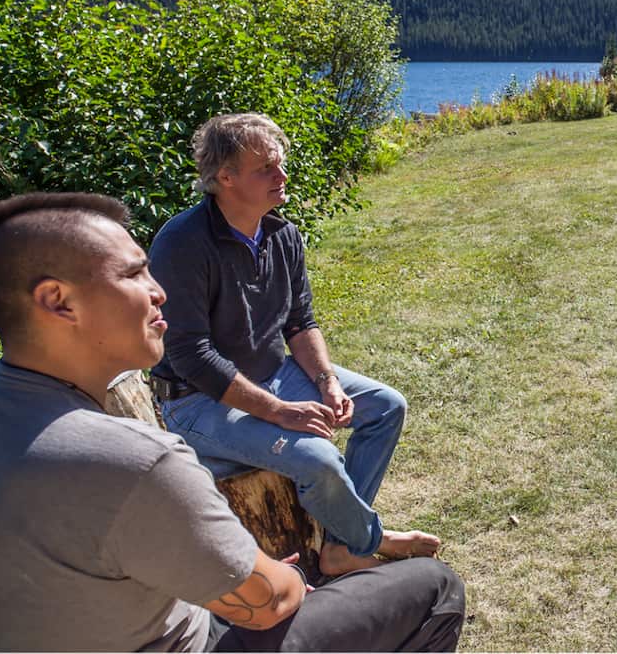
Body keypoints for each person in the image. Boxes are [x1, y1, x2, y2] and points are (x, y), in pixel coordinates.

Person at [0, 193, 465, 651]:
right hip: (196, 640)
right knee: (433, 586)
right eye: (132, 274)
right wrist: (274, 580)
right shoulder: (138, 461)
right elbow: (267, 603)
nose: (159, 291)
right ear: (58, 301)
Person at [149, 113, 439, 578]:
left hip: (272, 375)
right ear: (224, 178)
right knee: (318, 459)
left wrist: (326, 383)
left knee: (386, 406)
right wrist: (280, 411)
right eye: (265, 168)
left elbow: (300, 324)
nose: (282, 177)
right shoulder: (182, 243)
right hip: (199, 403)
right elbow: (191, 357)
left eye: (281, 164)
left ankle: (341, 546)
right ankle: (372, 540)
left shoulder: (281, 234)